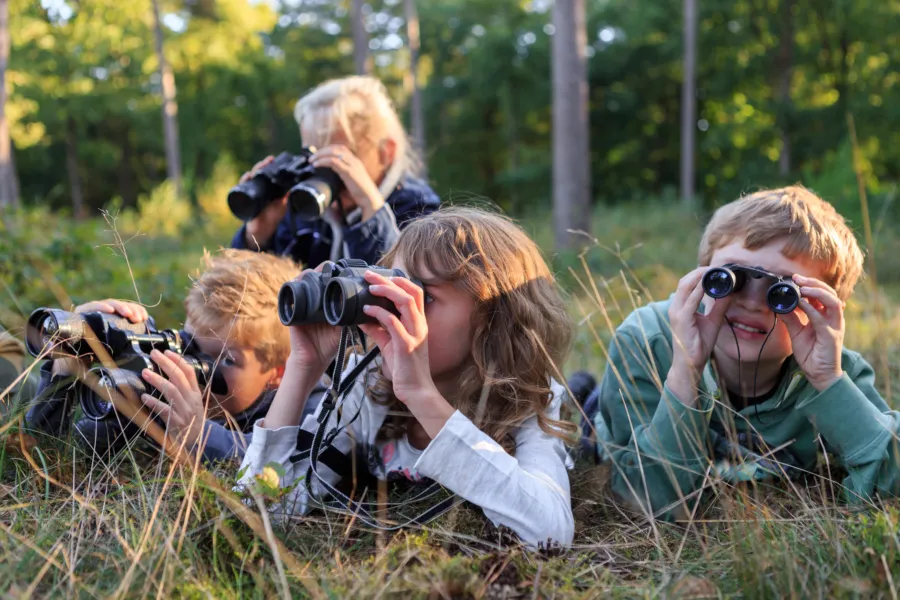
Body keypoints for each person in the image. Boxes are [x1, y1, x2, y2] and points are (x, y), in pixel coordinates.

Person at [237, 208, 577, 547]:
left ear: (493, 323)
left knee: (583, 412)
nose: (395, 310)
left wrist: (421, 394)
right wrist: (303, 367)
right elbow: (262, 506)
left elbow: (549, 535)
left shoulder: (533, 402)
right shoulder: (369, 385)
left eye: (422, 297)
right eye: (390, 289)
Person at [576, 185, 900, 520]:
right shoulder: (647, 341)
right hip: (639, 396)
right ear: (703, 273)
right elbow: (643, 499)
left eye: (784, 291)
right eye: (734, 279)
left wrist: (828, 380)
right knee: (593, 429)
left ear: (827, 310)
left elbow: (894, 483)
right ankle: (586, 396)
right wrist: (685, 370)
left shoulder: (837, 370)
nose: (751, 302)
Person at [26, 249, 299, 463]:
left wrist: (200, 435)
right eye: (189, 344)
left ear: (279, 372)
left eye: (227, 359)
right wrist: (66, 367)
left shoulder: (300, 406)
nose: (194, 370)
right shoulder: (161, 397)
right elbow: (52, 454)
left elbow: (276, 468)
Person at [231, 76, 440, 267]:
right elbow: (248, 298)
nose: (325, 170)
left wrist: (372, 211)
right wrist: (256, 238)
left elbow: (405, 291)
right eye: (313, 155)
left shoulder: (421, 212)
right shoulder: (305, 206)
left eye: (340, 156)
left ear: (386, 153)